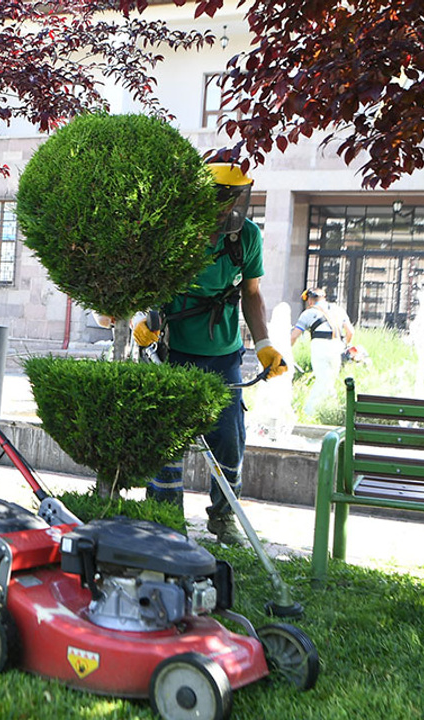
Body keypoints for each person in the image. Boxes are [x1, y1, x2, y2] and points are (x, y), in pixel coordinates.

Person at [132, 160, 287, 544]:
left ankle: (224, 516)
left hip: (223, 355)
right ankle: (165, 520)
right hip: (173, 353)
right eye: (220, 197)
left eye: (233, 197)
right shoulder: (170, 233)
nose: (226, 207)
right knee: (167, 440)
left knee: (230, 438)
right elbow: (146, 284)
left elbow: (251, 294)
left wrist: (264, 343)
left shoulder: (245, 237)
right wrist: (142, 318)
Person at [290, 287, 356, 417]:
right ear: (324, 297)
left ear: (309, 300)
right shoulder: (339, 310)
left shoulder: (308, 313)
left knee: (322, 380)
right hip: (337, 346)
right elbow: (350, 332)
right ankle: (334, 410)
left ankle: (308, 413)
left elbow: (294, 336)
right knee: (329, 381)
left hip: (320, 347)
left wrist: (286, 351)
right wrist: (345, 345)